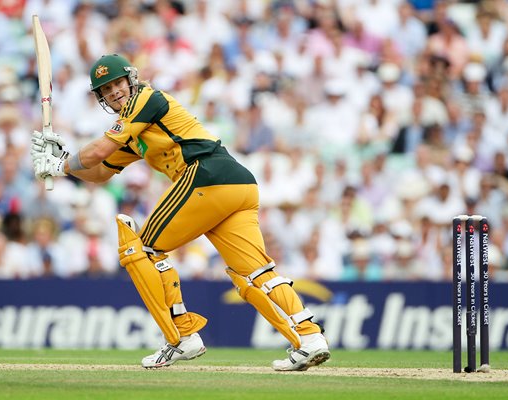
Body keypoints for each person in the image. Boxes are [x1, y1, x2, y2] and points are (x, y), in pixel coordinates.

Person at [30, 54, 330, 371]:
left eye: (117, 83)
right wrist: (63, 165)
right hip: (238, 184)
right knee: (253, 273)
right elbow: (101, 170)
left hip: (205, 175)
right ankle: (310, 339)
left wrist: (61, 164)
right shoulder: (134, 129)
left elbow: (99, 151)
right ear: (101, 97)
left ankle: (181, 337)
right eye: (106, 89)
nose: (114, 91)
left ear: (130, 80)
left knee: (140, 250)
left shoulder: (145, 99)